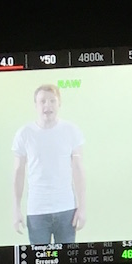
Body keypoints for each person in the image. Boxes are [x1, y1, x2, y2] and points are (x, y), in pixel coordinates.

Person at [12, 81, 86, 246]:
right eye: (43, 101)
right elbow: (18, 172)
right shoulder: (24, 134)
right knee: (39, 258)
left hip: (66, 210)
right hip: (37, 211)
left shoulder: (71, 131)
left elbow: (78, 169)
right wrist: (16, 209)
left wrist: (82, 207)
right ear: (36, 105)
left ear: (59, 103)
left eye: (52, 100)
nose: (48, 105)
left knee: (68, 258)